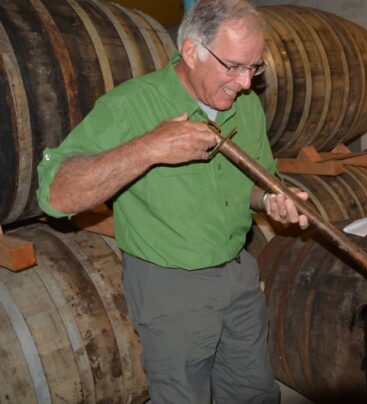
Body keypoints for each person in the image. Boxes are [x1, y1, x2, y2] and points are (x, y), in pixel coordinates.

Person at [36, 1, 308, 402]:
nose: (246, 83)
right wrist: (148, 148)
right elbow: (56, 195)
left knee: (253, 392)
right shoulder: (131, 105)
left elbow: (250, 183)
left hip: (238, 273)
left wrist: (270, 199)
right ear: (191, 51)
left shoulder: (244, 104)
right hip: (171, 285)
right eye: (233, 66)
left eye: (254, 67)